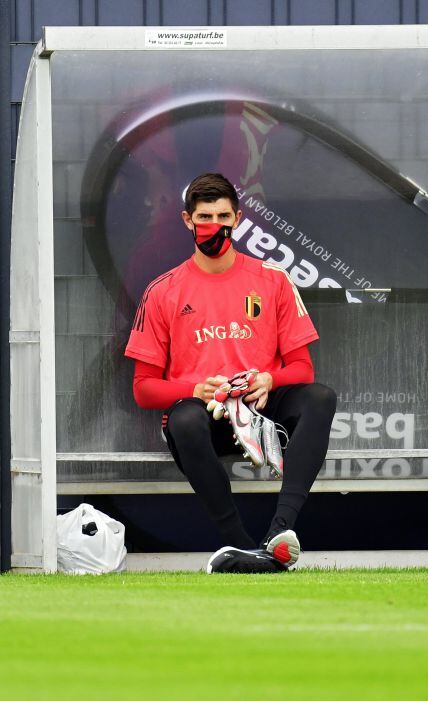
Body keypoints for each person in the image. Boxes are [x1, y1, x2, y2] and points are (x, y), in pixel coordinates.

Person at [124, 172, 336, 573]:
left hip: (261, 411)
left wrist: (270, 380)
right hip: (206, 418)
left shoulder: (273, 280)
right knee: (185, 418)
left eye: (223, 217)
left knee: (321, 397)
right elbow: (143, 390)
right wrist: (197, 390)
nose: (215, 226)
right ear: (187, 221)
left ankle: (278, 534)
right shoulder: (163, 290)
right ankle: (242, 547)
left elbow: (303, 370)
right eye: (205, 217)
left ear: (237, 218)